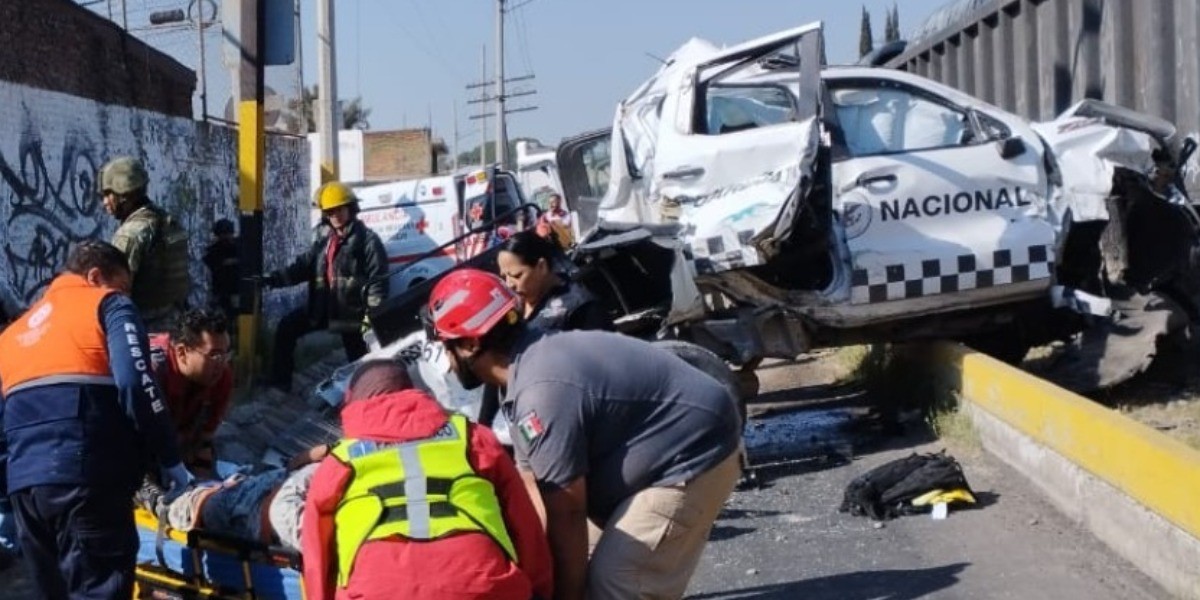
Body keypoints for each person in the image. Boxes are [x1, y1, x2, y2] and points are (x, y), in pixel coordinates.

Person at [425, 269, 743, 600]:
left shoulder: (540, 390)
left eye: (448, 345)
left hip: (694, 453)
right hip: (660, 451)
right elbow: (534, 482)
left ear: (472, 342)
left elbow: (567, 511)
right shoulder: (523, 372)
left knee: (616, 585)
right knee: (572, 565)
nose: (446, 359)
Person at [0, 241, 193, 599]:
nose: (126, 295)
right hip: (85, 478)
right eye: (123, 285)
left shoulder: (14, 335)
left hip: (25, 490)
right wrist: (170, 459)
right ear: (95, 276)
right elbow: (136, 382)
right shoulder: (108, 303)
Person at [302, 360, 553, 600]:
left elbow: (317, 562)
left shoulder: (339, 462)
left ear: (353, 403)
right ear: (414, 392)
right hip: (485, 587)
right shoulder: (473, 438)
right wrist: (539, 590)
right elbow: (526, 527)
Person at [263, 182, 389, 392]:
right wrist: (273, 279)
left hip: (352, 313)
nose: (335, 215)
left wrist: (372, 315)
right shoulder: (325, 242)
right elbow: (302, 267)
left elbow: (378, 281)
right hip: (322, 308)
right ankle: (280, 382)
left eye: (340, 210)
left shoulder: (368, 241)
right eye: (330, 212)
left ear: (351, 208)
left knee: (360, 361)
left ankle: (370, 395)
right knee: (286, 327)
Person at [100, 156, 191, 332]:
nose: (105, 203)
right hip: (176, 324)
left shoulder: (131, 234)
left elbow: (116, 291)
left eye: (107, 194)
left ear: (123, 195)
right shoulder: (167, 222)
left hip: (146, 329)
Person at [150, 308, 234, 478]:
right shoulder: (151, 372)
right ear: (182, 352)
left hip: (179, 449)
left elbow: (205, 440)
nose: (222, 364)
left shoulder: (221, 377)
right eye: (215, 356)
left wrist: (200, 488)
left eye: (226, 355)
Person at [497, 230, 610, 333]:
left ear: (542, 267)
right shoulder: (511, 308)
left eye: (516, 276)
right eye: (504, 277)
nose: (509, 284)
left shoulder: (579, 307)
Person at [204, 218, 240, 323]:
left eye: (228, 233)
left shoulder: (239, 248)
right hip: (220, 293)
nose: (226, 237)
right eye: (223, 234)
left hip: (236, 292)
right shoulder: (214, 252)